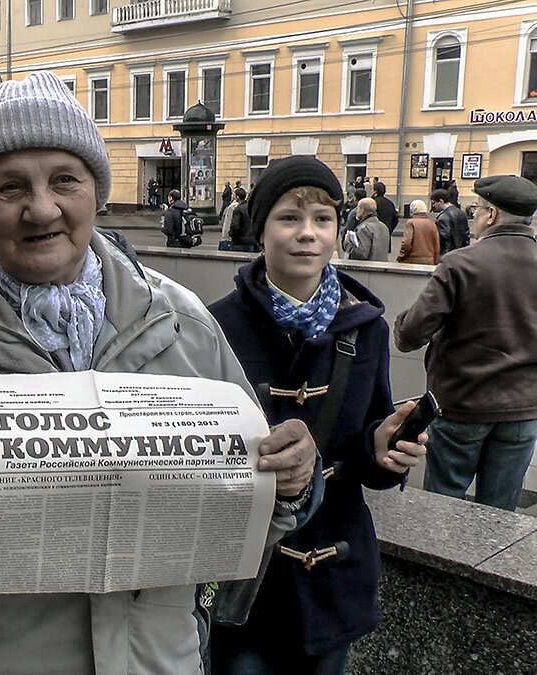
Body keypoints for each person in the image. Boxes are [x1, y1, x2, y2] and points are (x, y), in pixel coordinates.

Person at [0, 70, 319, 675]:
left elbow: (251, 513)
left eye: (64, 180)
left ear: (95, 192)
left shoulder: (182, 323)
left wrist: (290, 482)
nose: (41, 208)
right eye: (9, 187)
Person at [207, 155, 426, 675]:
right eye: (289, 218)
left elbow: (366, 446)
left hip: (334, 578)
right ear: (261, 231)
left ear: (336, 230)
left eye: (322, 219)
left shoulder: (365, 327)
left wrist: (384, 450)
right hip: (247, 582)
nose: (307, 233)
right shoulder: (213, 327)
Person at [395, 175, 537, 512]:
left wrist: (401, 324)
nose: (474, 215)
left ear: (491, 215)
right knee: (500, 513)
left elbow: (411, 333)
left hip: (461, 403)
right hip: (524, 408)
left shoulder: (460, 263)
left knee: (443, 505)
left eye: (477, 209)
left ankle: (435, 565)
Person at [397, 200, 441, 265]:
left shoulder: (411, 223)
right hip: (429, 261)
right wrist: (435, 261)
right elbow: (436, 245)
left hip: (413, 260)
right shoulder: (432, 224)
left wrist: (401, 256)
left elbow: (407, 243)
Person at [431, 189, 469, 255]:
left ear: (441, 201)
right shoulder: (461, 213)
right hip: (462, 253)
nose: (433, 206)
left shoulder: (442, 217)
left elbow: (442, 240)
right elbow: (466, 235)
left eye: (434, 202)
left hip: (448, 254)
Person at [229, 187, 257, 252]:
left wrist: (231, 233)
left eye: (234, 195)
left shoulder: (238, 209)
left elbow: (235, 226)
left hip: (239, 242)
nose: (232, 196)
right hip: (250, 241)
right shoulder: (250, 208)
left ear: (237, 197)